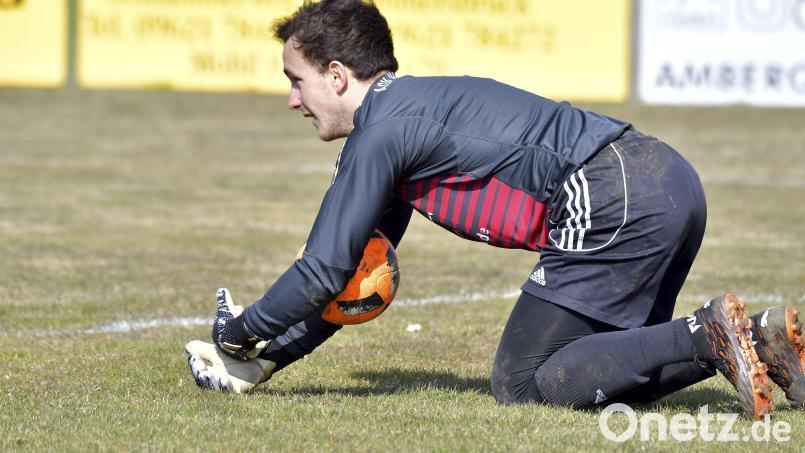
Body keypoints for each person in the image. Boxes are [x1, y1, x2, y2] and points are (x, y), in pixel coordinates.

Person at [184, 0, 804, 419]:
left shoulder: (381, 134)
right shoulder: (400, 119)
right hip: (664, 177)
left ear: (338, 76)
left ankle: (711, 332)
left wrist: (240, 332)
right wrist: (266, 360)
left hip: (611, 191)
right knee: (610, 380)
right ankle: (757, 339)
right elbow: (346, 274)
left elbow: (321, 270)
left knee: (522, 382)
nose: (293, 100)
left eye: (296, 80)